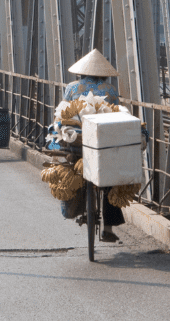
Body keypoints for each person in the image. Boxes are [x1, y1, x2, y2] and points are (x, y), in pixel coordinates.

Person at [62, 48, 125, 242]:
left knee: (71, 169)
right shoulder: (110, 90)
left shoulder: (72, 88)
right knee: (111, 180)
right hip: (103, 142)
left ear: (81, 72)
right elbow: (116, 112)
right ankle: (108, 228)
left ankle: (75, 207)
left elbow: (63, 113)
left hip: (77, 143)